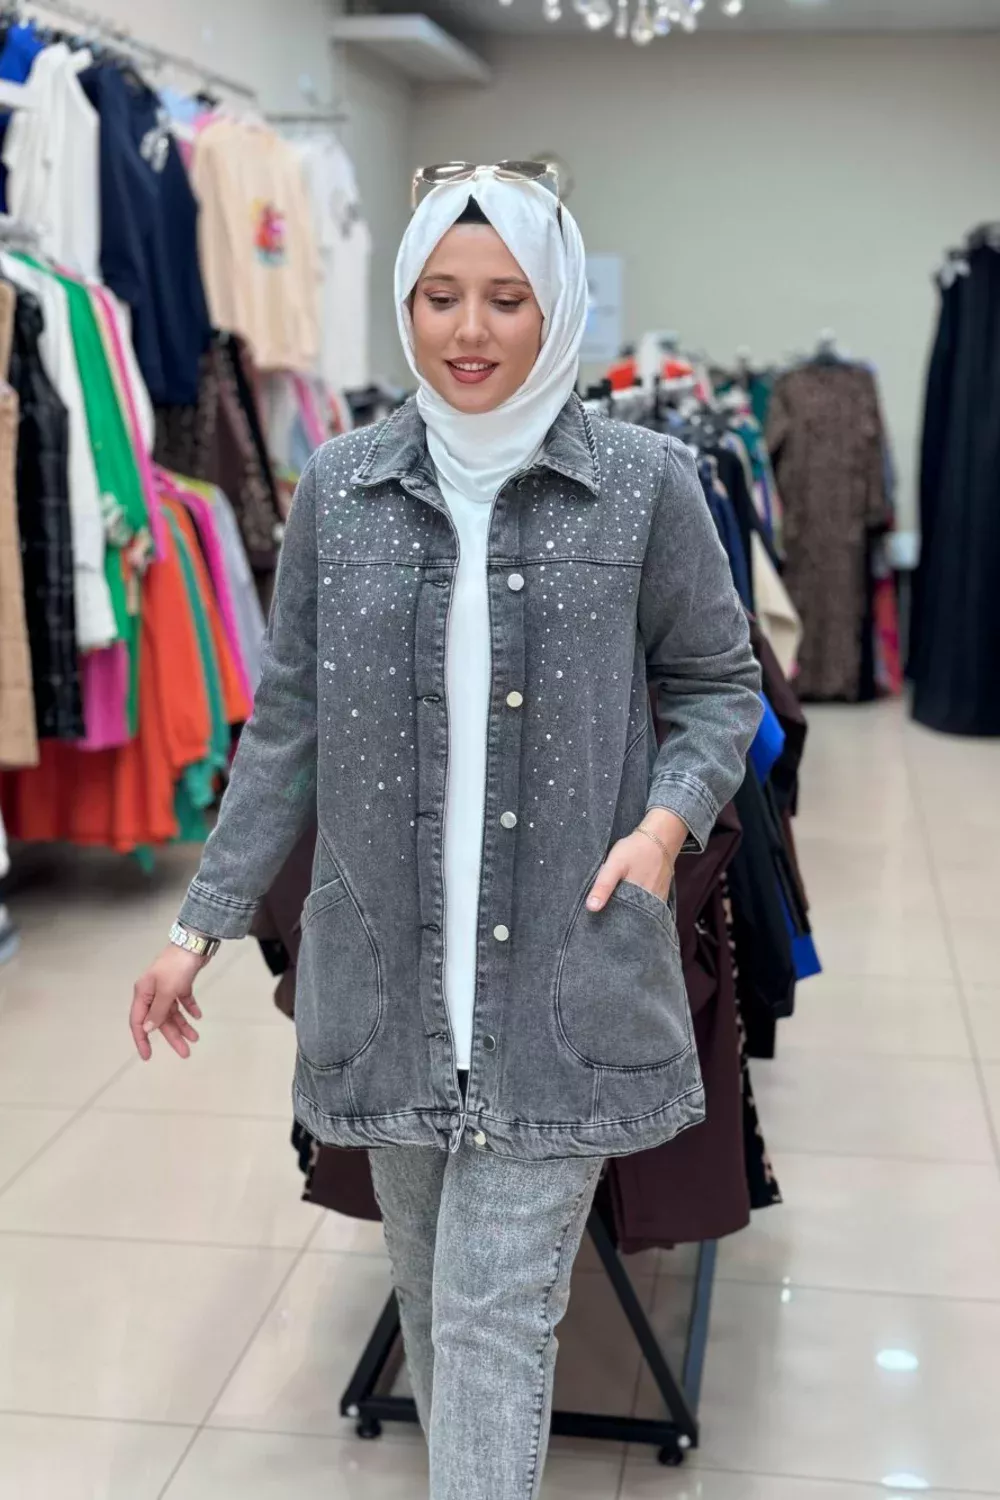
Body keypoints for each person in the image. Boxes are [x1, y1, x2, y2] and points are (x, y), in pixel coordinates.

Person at [129, 162, 763, 1500]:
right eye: (439, 296)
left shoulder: (644, 484)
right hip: (390, 988)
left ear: (558, 309)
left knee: (490, 1320)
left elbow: (720, 683)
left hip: (567, 977)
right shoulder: (340, 489)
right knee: (428, 1294)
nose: (470, 330)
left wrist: (663, 828)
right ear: (404, 304)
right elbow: (287, 723)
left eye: (507, 299)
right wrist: (198, 926)